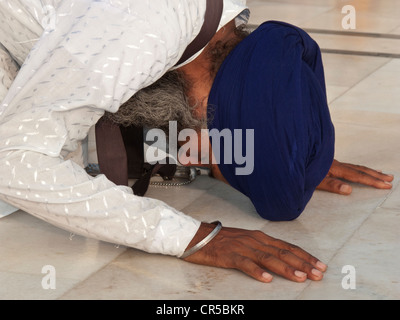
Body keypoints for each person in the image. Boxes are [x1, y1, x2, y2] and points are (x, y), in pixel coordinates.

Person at [0, 0, 393, 284]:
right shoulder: (131, 36)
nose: (196, 144)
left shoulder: (209, 20)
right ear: (213, 103)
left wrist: (286, 149)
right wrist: (189, 236)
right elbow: (13, 161)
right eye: (217, 137)